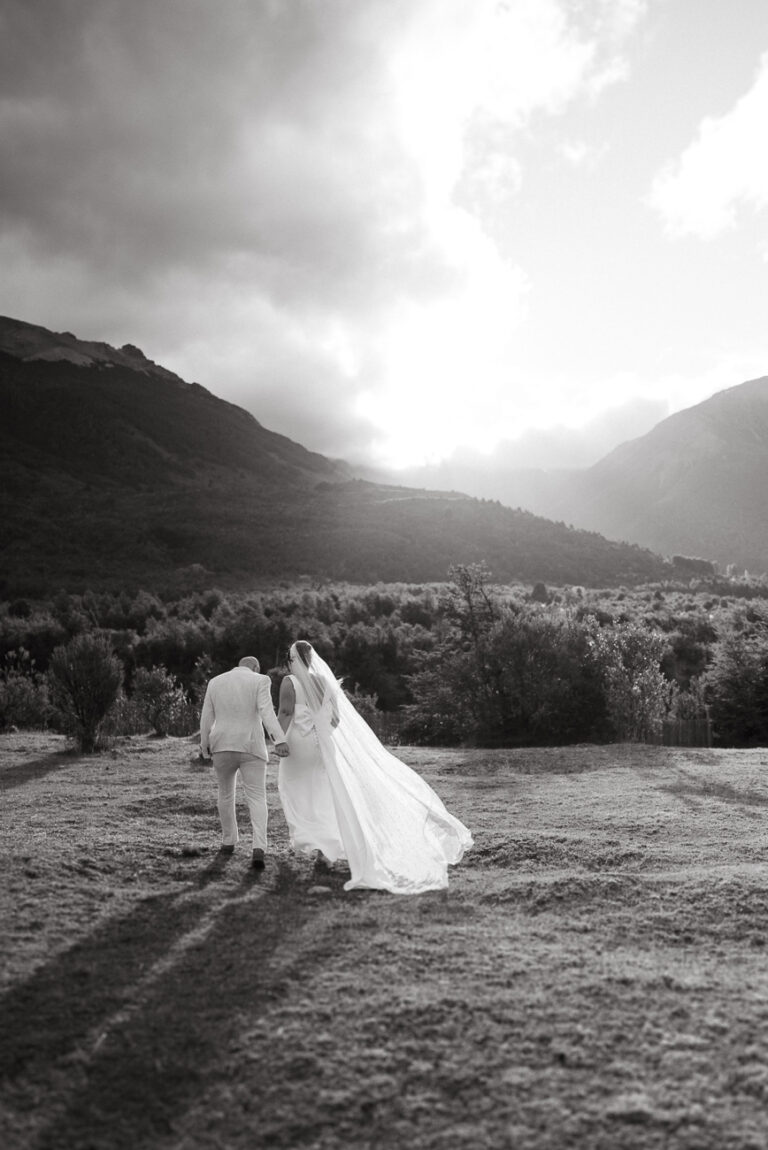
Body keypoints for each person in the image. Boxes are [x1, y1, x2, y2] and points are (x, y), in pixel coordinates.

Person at [277, 640, 472, 894]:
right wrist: (321, 735)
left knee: (297, 789)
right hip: (323, 748)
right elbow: (335, 719)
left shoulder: (289, 682)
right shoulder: (325, 682)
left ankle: (314, 841)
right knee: (326, 793)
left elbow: (284, 712)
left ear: (292, 660)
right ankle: (326, 849)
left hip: (298, 747)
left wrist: (277, 739)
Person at [199, 656, 289, 868]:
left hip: (222, 745)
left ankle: (228, 841)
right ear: (256, 667)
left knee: (225, 794)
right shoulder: (260, 680)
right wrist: (279, 740)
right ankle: (259, 847)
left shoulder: (215, 682)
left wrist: (204, 746)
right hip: (251, 745)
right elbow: (267, 712)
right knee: (257, 796)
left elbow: (206, 717)